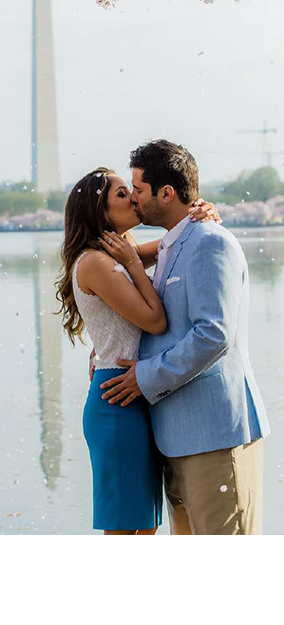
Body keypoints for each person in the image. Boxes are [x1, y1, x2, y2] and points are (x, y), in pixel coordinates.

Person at [97, 140, 270, 535]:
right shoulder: (174, 244)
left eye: (138, 189)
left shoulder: (210, 242)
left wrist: (145, 376)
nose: (134, 199)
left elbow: (214, 334)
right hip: (174, 441)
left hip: (216, 438)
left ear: (167, 193)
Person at [54, 164, 221, 536]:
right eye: (120, 193)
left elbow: (171, 244)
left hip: (135, 392)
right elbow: (155, 321)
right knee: (129, 530)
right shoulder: (98, 262)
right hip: (117, 400)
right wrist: (132, 262)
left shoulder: (116, 251)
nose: (132, 197)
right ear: (100, 211)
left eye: (131, 189)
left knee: (143, 527)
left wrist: (199, 214)